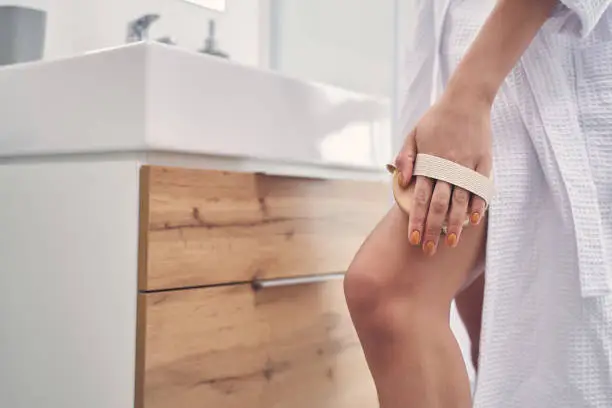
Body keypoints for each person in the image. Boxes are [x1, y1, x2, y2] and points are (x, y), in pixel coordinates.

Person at [343, 0, 612, 406]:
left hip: (536, 83)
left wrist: (472, 93)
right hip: (470, 91)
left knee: (388, 291)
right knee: (490, 353)